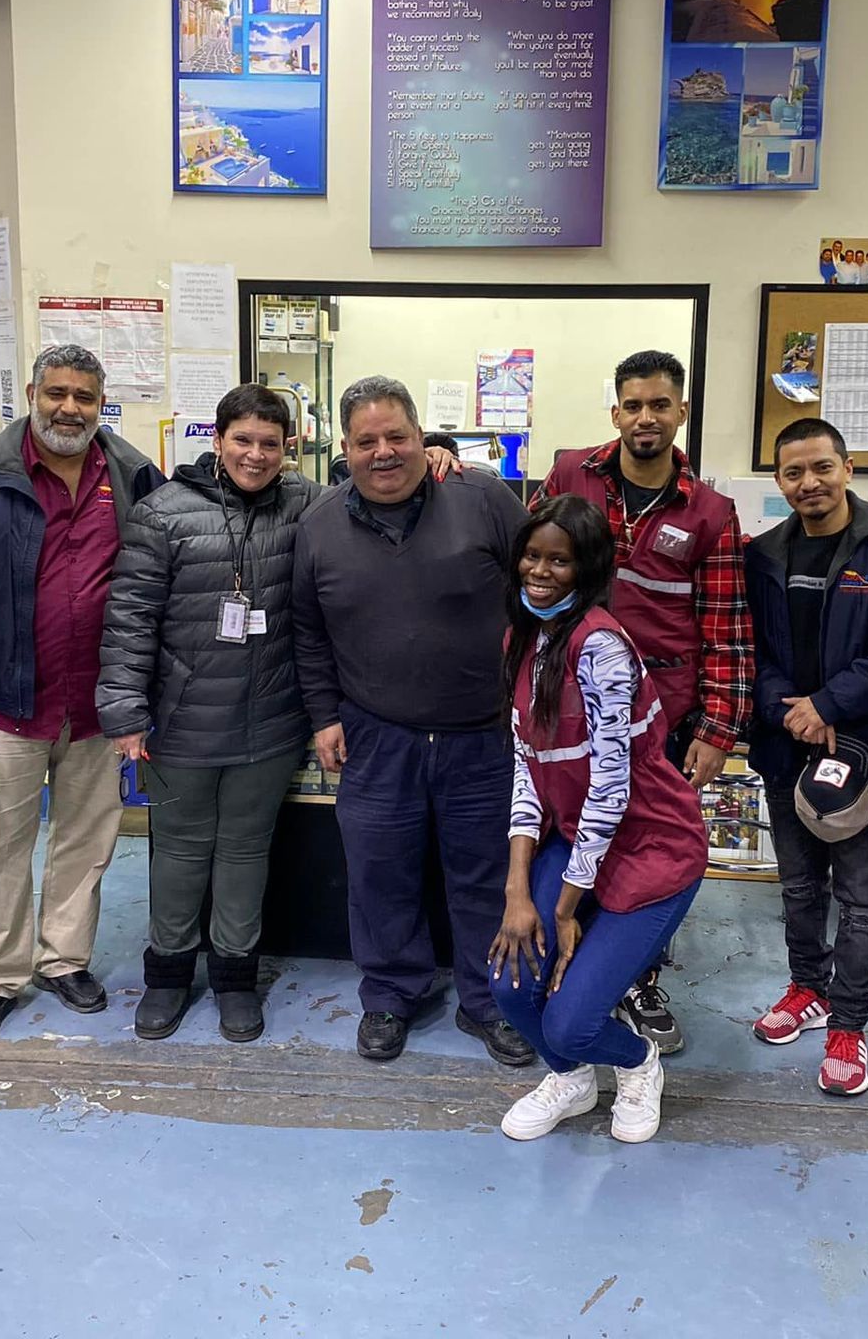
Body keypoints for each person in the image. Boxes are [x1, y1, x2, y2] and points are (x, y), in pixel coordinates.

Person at [98, 385, 458, 1043]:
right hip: (181, 722)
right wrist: (124, 711)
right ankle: (168, 976)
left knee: (244, 852)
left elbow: (387, 483)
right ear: (218, 440)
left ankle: (236, 976)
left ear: (289, 448)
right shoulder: (163, 513)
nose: (256, 455)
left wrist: (436, 455)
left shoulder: (313, 507)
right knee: (178, 852)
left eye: (270, 443)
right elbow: (128, 619)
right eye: (243, 440)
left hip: (270, 719)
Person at [0, 344, 165, 1044]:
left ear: (101, 404)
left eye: (84, 396)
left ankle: (64, 959)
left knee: (88, 841)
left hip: (100, 705)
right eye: (56, 394)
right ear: (31, 393)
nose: (69, 408)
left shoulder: (134, 474)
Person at [291, 375, 536, 1067]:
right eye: (366, 441)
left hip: (484, 734)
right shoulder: (318, 524)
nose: (384, 452)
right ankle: (392, 996)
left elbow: (544, 584)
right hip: (376, 733)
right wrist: (323, 716)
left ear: (422, 437)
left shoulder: (482, 499)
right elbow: (308, 632)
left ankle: (492, 1001)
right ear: (345, 448)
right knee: (379, 873)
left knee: (486, 873)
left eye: (397, 436)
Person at [530, 349, 753, 1054]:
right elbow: (528, 563)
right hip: (568, 701)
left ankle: (638, 977)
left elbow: (728, 629)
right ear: (616, 411)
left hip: (663, 718)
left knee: (646, 851)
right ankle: (576, 966)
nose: (645, 417)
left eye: (660, 404)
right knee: (574, 835)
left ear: (681, 412)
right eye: (633, 404)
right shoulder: (572, 476)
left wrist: (718, 728)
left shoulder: (711, 511)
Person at [488, 497, 708, 1144]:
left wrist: (562, 910)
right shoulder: (522, 639)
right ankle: (573, 1078)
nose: (541, 570)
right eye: (533, 555)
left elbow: (611, 792)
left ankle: (639, 1064)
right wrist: (518, 890)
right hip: (577, 839)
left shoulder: (602, 648)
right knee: (510, 985)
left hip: (652, 849)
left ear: (587, 571)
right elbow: (528, 771)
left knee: (570, 1019)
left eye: (561, 560)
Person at [743, 418, 868, 1096]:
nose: (808, 483)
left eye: (821, 467)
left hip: (867, 752)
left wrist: (829, 705)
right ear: (780, 481)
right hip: (787, 748)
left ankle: (848, 1022)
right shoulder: (763, 555)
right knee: (798, 890)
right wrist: (788, 709)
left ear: (847, 469)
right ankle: (806, 989)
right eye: (793, 473)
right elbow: (749, 649)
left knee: (861, 900)